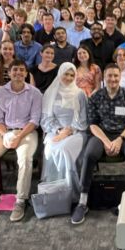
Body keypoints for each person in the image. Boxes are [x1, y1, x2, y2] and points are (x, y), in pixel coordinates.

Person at [73, 64, 125, 224]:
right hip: (101, 134)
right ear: (104, 77)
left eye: (116, 76)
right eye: (109, 76)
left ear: (120, 77)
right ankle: (83, 201)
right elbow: (92, 124)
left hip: (123, 134)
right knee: (89, 155)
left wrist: (119, 139)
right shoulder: (96, 97)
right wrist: (105, 141)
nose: (113, 79)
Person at [0, 59, 42, 221]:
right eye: (15, 70)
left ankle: (21, 200)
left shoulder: (35, 93)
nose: (18, 73)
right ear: (9, 73)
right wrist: (6, 135)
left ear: (26, 74)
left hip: (27, 132)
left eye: (21, 70)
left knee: (25, 159)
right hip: (5, 132)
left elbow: (34, 120)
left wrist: (18, 136)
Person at [40, 62, 88, 201]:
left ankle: (71, 193)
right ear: (60, 73)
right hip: (55, 130)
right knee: (50, 148)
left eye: (72, 75)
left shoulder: (80, 94)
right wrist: (59, 130)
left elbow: (84, 119)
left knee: (64, 150)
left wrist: (69, 130)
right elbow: (46, 118)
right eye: (66, 74)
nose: (68, 77)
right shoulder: (50, 93)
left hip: (77, 131)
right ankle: (54, 192)